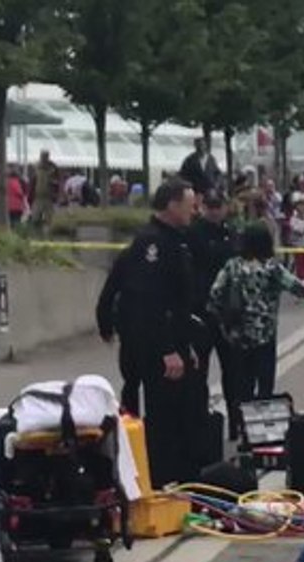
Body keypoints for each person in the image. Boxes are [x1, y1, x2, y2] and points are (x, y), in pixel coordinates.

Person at [95, 178, 202, 488]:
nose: (193, 210)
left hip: (172, 341)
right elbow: (149, 302)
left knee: (178, 414)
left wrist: (186, 344)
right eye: (188, 203)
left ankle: (175, 474)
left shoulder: (173, 240)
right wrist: (168, 349)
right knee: (159, 416)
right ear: (171, 205)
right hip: (153, 347)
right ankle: (156, 477)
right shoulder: (152, 244)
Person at [208, 224, 304, 408]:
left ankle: (240, 423)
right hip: (265, 334)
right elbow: (297, 286)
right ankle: (261, 425)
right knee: (265, 385)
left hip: (238, 335)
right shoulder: (271, 267)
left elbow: (215, 294)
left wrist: (224, 322)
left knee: (242, 384)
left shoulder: (233, 265)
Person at [186, 191, 239, 438]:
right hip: (202, 310)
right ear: (202, 207)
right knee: (199, 372)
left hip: (228, 312)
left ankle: (235, 423)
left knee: (233, 371)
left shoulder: (232, 234)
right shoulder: (194, 233)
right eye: (210, 206)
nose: (215, 211)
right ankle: (200, 420)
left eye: (218, 206)